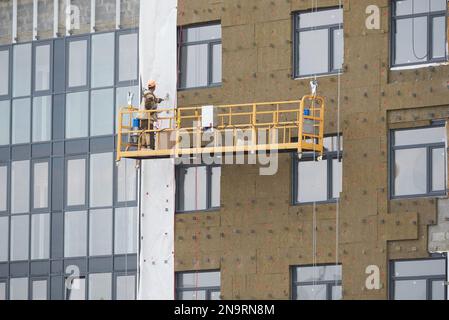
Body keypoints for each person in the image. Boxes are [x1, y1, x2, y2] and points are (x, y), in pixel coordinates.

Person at [140, 80, 163, 149]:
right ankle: (149, 147)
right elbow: (148, 105)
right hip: (147, 117)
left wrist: (158, 100)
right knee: (148, 132)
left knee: (144, 131)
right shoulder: (149, 95)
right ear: (154, 87)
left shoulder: (148, 94)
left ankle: (143, 147)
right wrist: (153, 111)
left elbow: (152, 99)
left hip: (143, 117)